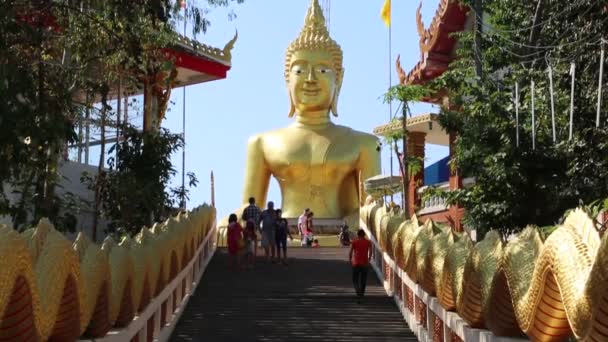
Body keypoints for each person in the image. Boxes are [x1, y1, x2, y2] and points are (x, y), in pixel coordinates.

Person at [349, 229, 372, 303]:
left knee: (355, 279)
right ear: (364, 234)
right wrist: (369, 259)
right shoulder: (368, 242)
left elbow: (350, 252)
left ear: (358, 235)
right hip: (365, 263)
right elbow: (370, 252)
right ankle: (361, 293)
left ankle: (358, 291)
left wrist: (350, 260)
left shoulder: (354, 242)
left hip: (356, 263)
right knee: (363, 280)